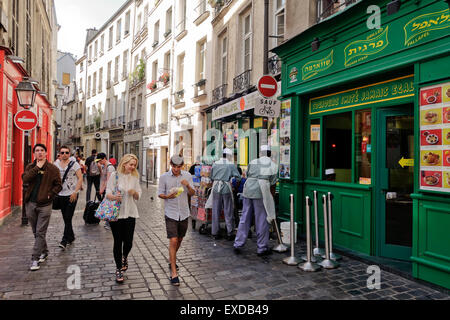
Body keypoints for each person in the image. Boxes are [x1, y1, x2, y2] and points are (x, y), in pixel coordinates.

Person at [22, 144, 62, 271]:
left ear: (46, 153)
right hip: (31, 204)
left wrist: (50, 195)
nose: (39, 153)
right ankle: (44, 251)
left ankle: (35, 259)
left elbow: (58, 185)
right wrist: (37, 168)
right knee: (36, 231)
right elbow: (25, 179)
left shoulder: (53, 169)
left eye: (42, 151)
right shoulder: (30, 167)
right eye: (37, 151)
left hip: (45, 205)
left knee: (40, 232)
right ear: (34, 153)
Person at [233, 145, 278, 256]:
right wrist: (270, 199)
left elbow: (247, 175)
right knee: (262, 219)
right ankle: (262, 247)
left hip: (248, 190)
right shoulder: (273, 165)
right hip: (261, 192)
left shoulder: (253, 162)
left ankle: (238, 243)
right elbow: (272, 184)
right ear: (269, 154)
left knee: (245, 217)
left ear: (260, 153)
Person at [158, 155, 195, 286]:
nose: (176, 169)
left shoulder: (187, 176)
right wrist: (168, 196)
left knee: (179, 240)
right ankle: (174, 273)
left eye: (179, 167)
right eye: (174, 166)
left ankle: (171, 259)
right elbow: (160, 193)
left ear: (182, 166)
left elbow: (192, 193)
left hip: (184, 212)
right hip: (171, 213)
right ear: (170, 165)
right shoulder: (164, 177)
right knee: (173, 240)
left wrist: (188, 186)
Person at [105, 154, 142, 284]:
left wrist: (135, 193)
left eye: (134, 165)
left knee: (129, 242)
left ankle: (124, 256)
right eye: (131, 164)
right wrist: (114, 197)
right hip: (116, 214)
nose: (133, 167)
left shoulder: (135, 177)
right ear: (124, 163)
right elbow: (107, 192)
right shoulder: (115, 175)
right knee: (118, 241)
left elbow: (139, 196)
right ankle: (118, 268)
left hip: (131, 213)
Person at [207, 148, 241, 241]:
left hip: (216, 187)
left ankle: (215, 232)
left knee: (215, 210)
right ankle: (230, 232)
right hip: (226, 188)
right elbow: (238, 177)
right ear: (229, 156)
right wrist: (234, 185)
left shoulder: (215, 163)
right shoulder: (231, 165)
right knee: (228, 210)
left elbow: (211, 177)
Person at [54, 146, 83, 250]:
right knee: (66, 218)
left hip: (71, 194)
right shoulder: (55, 164)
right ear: (59, 154)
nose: (64, 154)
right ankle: (71, 236)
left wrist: (76, 192)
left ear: (69, 154)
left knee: (68, 216)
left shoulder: (74, 164)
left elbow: (80, 178)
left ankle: (64, 240)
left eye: (67, 152)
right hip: (60, 195)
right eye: (62, 152)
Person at [97, 152, 116, 230]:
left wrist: (102, 189)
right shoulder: (104, 166)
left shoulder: (110, 167)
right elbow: (102, 176)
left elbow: (108, 180)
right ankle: (108, 222)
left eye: (100, 160)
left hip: (110, 190)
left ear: (104, 158)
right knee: (107, 206)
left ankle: (109, 223)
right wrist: (99, 167)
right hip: (106, 189)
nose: (99, 162)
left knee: (108, 206)